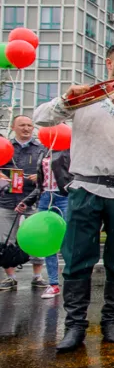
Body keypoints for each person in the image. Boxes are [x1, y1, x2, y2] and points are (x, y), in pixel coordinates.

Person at [33, 43, 114, 353]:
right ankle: (75, 325)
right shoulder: (87, 96)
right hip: (86, 188)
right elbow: (41, 118)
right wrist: (67, 100)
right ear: (110, 64)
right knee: (78, 259)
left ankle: (110, 321)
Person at [16, 147, 72, 298]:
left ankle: (73, 282)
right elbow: (41, 184)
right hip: (45, 197)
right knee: (48, 242)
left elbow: (74, 177)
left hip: (64, 197)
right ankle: (53, 284)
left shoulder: (70, 149)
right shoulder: (44, 151)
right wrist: (26, 201)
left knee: (68, 241)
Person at [0, 116, 47, 292]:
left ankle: (37, 276)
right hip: (6, 200)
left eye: (29, 125)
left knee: (37, 239)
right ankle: (9, 277)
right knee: (5, 241)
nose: (26, 128)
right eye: (22, 125)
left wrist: (40, 177)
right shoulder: (4, 147)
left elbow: (50, 171)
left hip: (33, 200)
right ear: (13, 127)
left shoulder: (41, 148)